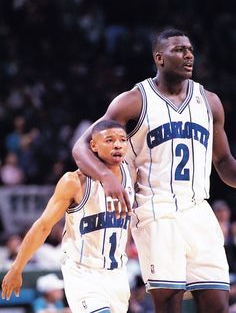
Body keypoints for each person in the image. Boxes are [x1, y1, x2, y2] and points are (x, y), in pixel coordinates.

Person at [71, 28, 236, 313]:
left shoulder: (209, 101)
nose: (188, 55)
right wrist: (107, 177)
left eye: (190, 50)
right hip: (155, 210)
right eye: (179, 50)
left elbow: (223, 163)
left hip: (198, 209)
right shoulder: (134, 100)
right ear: (159, 58)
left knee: (218, 304)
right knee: (169, 302)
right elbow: (81, 147)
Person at [1, 120, 135, 313]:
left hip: (117, 275)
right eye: (109, 140)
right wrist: (17, 267)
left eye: (122, 140)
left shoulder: (131, 174)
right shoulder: (74, 182)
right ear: (93, 146)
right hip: (83, 273)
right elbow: (44, 226)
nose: (117, 144)